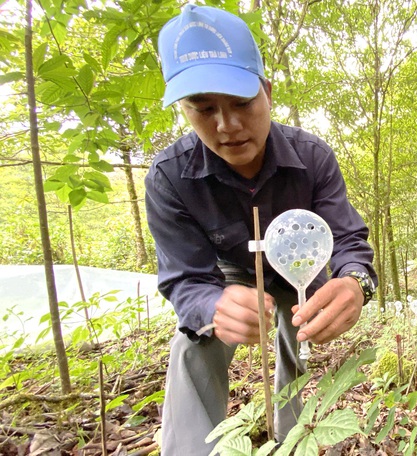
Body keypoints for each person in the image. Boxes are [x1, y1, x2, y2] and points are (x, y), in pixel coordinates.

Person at [144, 5, 377, 454]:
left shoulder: (313, 158)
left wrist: (355, 282)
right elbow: (183, 278)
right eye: (203, 108)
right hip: (231, 273)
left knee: (299, 333)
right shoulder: (169, 177)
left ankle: (290, 440)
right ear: (184, 110)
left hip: (302, 270)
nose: (227, 126)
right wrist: (212, 305)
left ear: (267, 92)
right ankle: (192, 449)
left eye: (241, 103)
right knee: (193, 344)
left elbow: (348, 240)